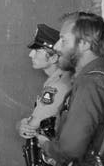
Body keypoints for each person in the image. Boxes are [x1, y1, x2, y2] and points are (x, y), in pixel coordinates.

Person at [36, 11, 104, 165]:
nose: (57, 47)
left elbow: (70, 150)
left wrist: (46, 144)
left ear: (84, 43)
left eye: (63, 40)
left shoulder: (90, 83)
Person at [18, 24, 73, 166]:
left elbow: (33, 126)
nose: (31, 54)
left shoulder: (56, 86)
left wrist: (20, 125)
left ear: (54, 57)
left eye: (37, 51)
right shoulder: (60, 78)